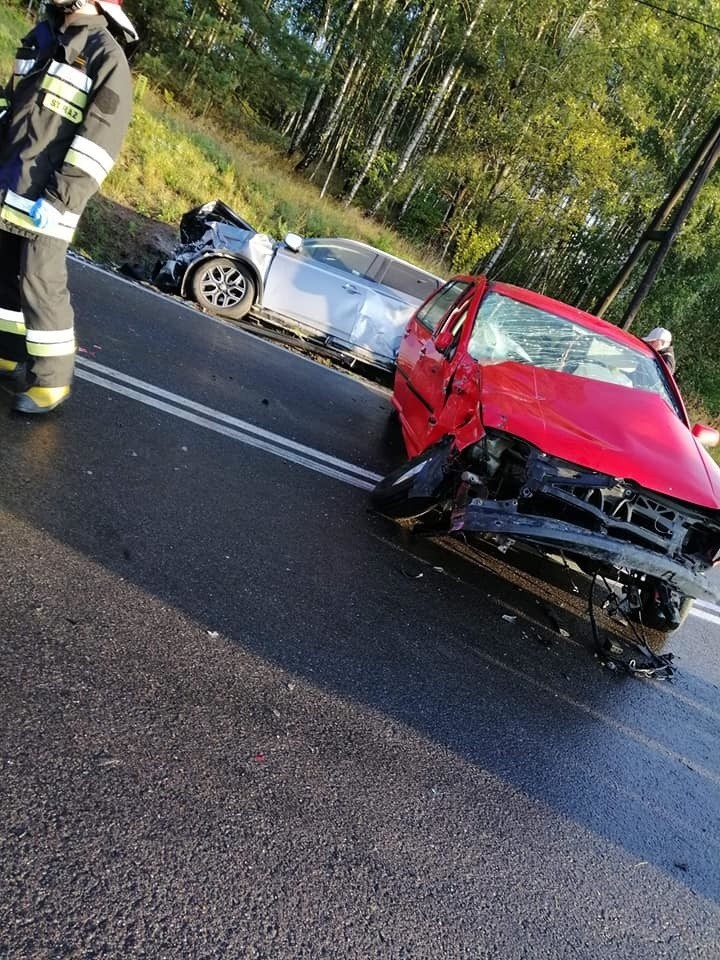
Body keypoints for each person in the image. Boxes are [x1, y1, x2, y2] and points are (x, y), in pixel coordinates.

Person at [0, 0, 137, 414]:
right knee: (5, 273)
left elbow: (99, 143)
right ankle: (7, 352)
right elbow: (12, 105)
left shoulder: (106, 57)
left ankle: (51, 381)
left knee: (41, 284)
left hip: (50, 198)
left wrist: (61, 199)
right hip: (10, 181)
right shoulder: (41, 38)